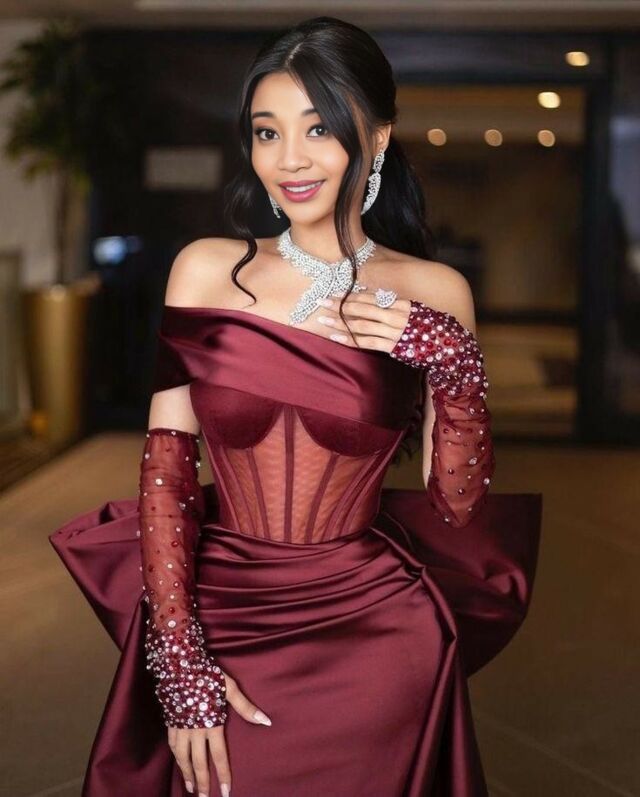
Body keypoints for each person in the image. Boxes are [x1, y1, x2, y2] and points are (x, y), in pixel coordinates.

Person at [50, 16, 542, 797]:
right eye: (266, 131)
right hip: (218, 615)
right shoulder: (206, 270)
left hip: (375, 636)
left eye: (318, 128)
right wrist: (179, 661)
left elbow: (457, 504)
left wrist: (451, 361)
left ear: (376, 137)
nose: (289, 159)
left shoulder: (434, 291)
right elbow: (166, 478)